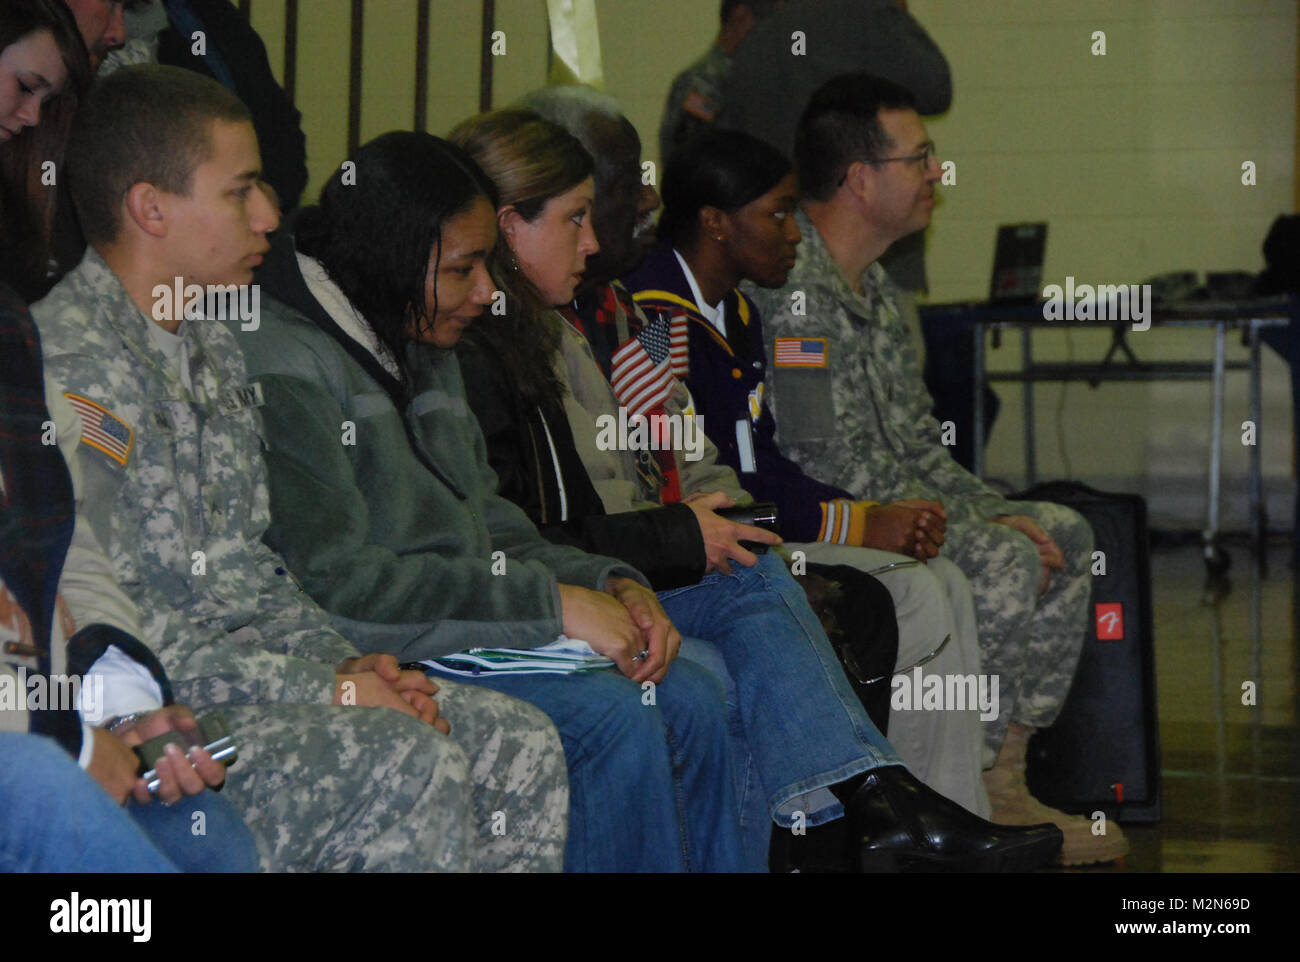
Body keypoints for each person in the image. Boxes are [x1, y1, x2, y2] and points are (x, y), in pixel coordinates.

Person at [509, 91, 1069, 872]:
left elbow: (709, 454)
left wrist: (741, 520)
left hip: (693, 539)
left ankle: (939, 807)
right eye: (774, 214)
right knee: (875, 596)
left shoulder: (659, 311)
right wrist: (841, 522)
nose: (645, 197)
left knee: (903, 584)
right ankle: (876, 816)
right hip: (637, 562)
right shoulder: (629, 315)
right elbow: (609, 499)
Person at [33, 64, 569, 873]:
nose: (271, 216)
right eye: (241, 190)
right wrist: (326, 692)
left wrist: (347, 665)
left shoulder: (212, 343)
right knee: (405, 760)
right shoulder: (73, 363)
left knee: (517, 738)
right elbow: (117, 625)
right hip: (154, 717)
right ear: (151, 208)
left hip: (252, 680)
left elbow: (250, 571)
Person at [231, 129, 744, 873]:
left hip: (472, 625)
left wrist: (610, 583)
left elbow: (493, 525)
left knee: (689, 695)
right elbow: (338, 590)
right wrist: (552, 605)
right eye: (464, 268)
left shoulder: (413, 329)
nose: (488, 292)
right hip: (379, 654)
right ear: (389, 258)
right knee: (614, 718)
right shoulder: (282, 363)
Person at [749, 72, 1124, 864]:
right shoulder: (797, 298)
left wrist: (989, 509)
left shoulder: (878, 290)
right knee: (999, 554)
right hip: (822, 522)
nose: (936, 175)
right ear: (859, 178)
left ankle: (1006, 779)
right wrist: (982, 526)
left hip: (895, 503)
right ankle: (955, 796)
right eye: (919, 158)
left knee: (1062, 528)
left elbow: (919, 445)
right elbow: (827, 460)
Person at [623, 126, 991, 818]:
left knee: (946, 580)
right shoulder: (653, 318)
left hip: (760, 521)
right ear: (715, 223)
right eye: (777, 212)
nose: (795, 233)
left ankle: (954, 809)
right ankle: (892, 816)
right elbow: (689, 477)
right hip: (709, 541)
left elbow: (765, 457)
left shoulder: (733, 310)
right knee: (916, 592)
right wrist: (857, 521)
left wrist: (864, 514)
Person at [2, 0, 256, 872]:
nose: (28, 120)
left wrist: (121, 697)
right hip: (27, 725)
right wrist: (70, 734)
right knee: (48, 797)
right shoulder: (72, 337)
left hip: (57, 686)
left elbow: (57, 541)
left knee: (209, 836)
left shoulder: (18, 322)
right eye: (23, 87)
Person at [658, 0, 784, 165]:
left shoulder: (743, 77)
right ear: (741, 17)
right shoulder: (704, 82)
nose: (772, 35)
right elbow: (687, 155)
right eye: (767, 23)